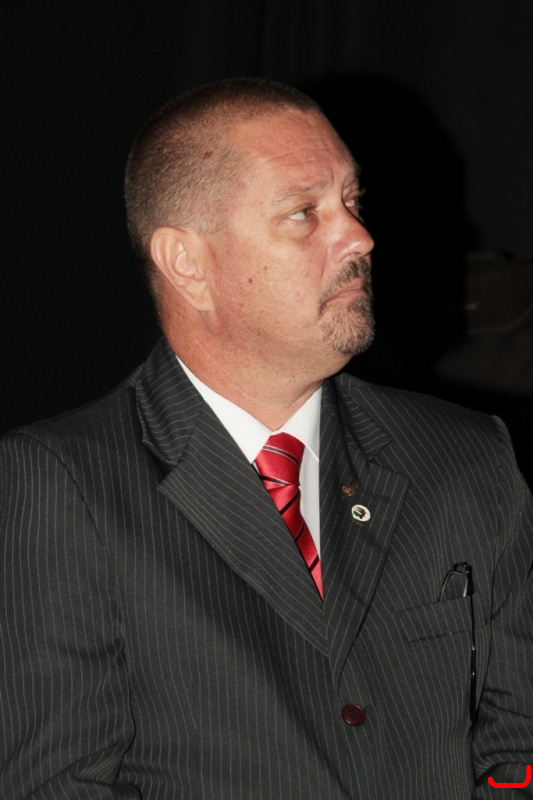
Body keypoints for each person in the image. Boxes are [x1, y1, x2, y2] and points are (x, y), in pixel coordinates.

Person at [1, 77, 532, 800]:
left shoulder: (467, 459)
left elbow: (516, 746)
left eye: (353, 201)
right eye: (303, 213)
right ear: (188, 264)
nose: (360, 237)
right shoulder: (62, 485)